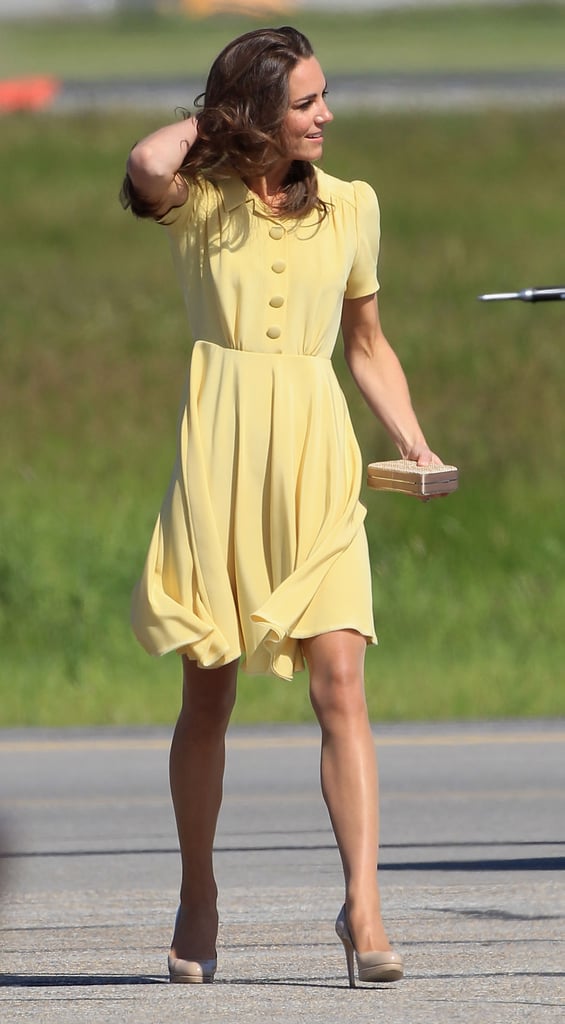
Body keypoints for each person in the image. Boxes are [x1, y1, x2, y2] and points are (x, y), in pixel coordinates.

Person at [122, 25, 443, 987]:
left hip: (314, 457)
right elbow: (145, 160)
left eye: (322, 97)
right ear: (257, 111)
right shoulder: (201, 203)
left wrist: (410, 437)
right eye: (305, 102)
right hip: (220, 460)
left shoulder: (352, 206)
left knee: (340, 682)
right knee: (207, 693)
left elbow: (366, 344)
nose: (326, 117)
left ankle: (365, 905)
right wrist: (215, 120)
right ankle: (198, 894)